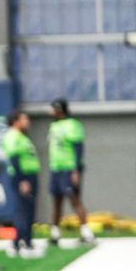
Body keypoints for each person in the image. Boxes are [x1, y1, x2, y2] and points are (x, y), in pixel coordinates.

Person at [47, 97, 96, 245]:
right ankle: (55, 233)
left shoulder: (73, 125)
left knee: (74, 200)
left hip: (68, 169)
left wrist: (76, 170)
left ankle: (86, 232)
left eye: (53, 109)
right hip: (56, 168)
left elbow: (78, 148)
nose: (51, 112)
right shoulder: (54, 126)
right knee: (56, 201)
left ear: (59, 110)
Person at [3, 109, 42, 258]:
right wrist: (22, 180)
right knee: (23, 210)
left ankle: (23, 241)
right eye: (24, 119)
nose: (28, 122)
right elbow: (14, 159)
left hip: (30, 176)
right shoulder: (13, 137)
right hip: (22, 177)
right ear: (15, 121)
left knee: (29, 209)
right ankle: (21, 243)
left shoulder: (22, 137)